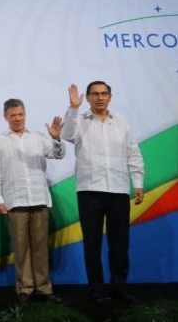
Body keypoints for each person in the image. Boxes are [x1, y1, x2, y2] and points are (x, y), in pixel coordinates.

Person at [61, 82, 144, 304]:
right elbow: (66, 135)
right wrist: (73, 108)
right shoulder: (79, 121)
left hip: (118, 190)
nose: (100, 97)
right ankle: (97, 290)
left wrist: (137, 182)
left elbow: (133, 153)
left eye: (104, 93)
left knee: (120, 243)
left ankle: (119, 288)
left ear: (110, 96)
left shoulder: (121, 122)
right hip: (89, 191)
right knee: (93, 242)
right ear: (87, 98)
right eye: (95, 94)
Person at [0, 98, 64, 304]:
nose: (17, 118)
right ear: (5, 117)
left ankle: (44, 288)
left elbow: (59, 155)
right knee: (21, 248)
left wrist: (56, 139)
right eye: (12, 115)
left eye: (20, 114)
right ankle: (25, 288)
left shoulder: (38, 138)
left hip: (39, 199)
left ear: (25, 114)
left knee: (41, 247)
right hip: (14, 201)